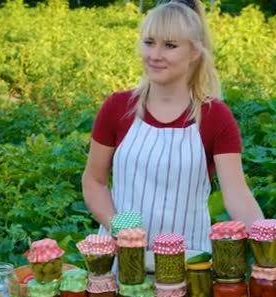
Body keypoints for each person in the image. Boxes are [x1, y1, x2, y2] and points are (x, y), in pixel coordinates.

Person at [81, 0, 265, 252]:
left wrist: (265, 233)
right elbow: (94, 180)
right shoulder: (117, 108)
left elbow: (236, 194)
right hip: (121, 260)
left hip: (190, 263)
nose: (155, 55)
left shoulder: (215, 117)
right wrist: (120, 227)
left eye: (169, 45)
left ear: (194, 52)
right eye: (149, 42)